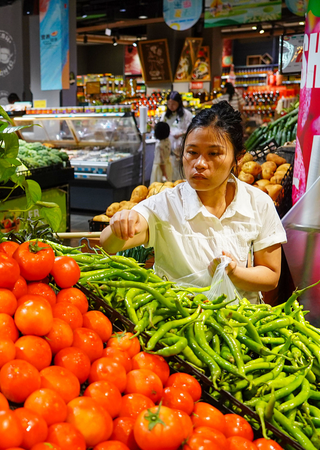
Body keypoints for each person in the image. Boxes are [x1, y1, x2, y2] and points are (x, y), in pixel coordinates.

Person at [101, 102, 286, 302]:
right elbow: (109, 243)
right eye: (192, 152)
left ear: (237, 159)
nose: (199, 163)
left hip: (239, 322)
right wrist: (121, 223)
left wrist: (234, 273)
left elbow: (271, 275)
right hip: (178, 320)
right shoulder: (166, 203)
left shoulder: (257, 202)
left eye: (214, 154)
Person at [162, 91, 192, 180]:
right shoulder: (165, 115)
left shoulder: (187, 114)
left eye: (174, 104)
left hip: (181, 147)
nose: (171, 106)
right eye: (169, 104)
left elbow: (192, 129)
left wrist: (182, 134)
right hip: (168, 147)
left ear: (179, 103)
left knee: (180, 173)